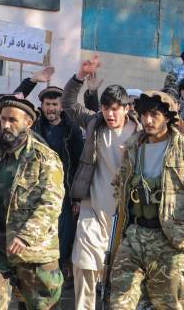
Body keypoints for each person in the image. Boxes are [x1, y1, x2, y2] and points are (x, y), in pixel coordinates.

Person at [108, 91, 184, 309]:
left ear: (168, 118)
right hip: (135, 236)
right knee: (119, 301)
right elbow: (119, 185)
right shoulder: (133, 147)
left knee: (172, 302)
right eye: (144, 115)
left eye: (154, 115)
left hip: (171, 239)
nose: (148, 121)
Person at [61, 54, 141, 310]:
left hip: (126, 214)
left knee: (117, 270)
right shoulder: (95, 123)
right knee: (83, 262)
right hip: (92, 206)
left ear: (127, 108)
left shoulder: (141, 134)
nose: (109, 114)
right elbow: (69, 103)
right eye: (106, 108)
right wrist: (80, 76)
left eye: (115, 109)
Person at [0, 96, 65, 309]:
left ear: (28, 123)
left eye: (12, 120)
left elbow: (51, 203)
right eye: (2, 119)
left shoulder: (45, 158)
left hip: (34, 252)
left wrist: (25, 236)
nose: (5, 125)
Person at [13, 78, 85, 273]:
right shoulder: (33, 127)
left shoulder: (72, 130)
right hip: (32, 193)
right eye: (47, 104)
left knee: (61, 241)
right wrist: (32, 81)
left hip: (63, 195)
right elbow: (14, 102)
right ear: (42, 106)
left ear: (62, 106)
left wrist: (77, 197)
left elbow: (80, 164)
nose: (51, 108)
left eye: (55, 104)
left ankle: (56, 280)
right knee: (31, 238)